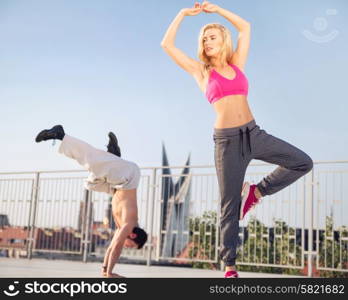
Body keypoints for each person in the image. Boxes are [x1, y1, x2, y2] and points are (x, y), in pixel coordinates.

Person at [161, 1, 313, 278]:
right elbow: (167, 45)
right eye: (204, 39)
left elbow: (245, 27)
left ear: (223, 40)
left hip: (254, 134)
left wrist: (216, 10)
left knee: (302, 162)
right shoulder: (201, 72)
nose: (207, 41)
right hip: (227, 143)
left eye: (212, 37)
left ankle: (256, 192)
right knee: (229, 204)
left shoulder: (237, 64)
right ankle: (230, 266)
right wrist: (183, 14)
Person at [35, 125, 148, 278]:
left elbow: (110, 249)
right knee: (92, 160)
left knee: (91, 183)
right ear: (133, 237)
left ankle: (114, 156)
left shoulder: (123, 226)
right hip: (128, 176)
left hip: (117, 183)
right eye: (132, 246)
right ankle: (60, 134)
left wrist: (104, 270)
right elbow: (117, 247)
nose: (128, 247)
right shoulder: (129, 225)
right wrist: (110, 273)